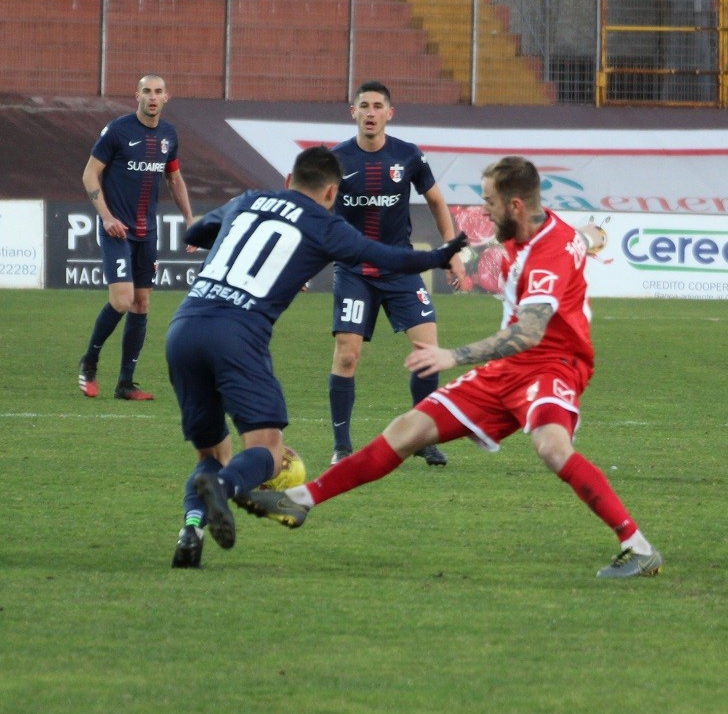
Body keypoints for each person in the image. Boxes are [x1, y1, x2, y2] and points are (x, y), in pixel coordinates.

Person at [236, 156, 664, 579]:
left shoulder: (547, 253)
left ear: (515, 205)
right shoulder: (543, 229)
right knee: (407, 430)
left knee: (552, 448)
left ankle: (638, 547)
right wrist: (592, 234)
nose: (483, 211)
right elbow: (583, 237)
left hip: (553, 365)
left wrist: (452, 356)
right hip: (507, 370)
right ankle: (301, 500)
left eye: (489, 202)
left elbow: (530, 332)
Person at [165, 146, 467, 568]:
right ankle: (226, 488)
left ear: (289, 180)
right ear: (331, 193)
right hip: (236, 336)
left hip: (183, 329)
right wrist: (438, 255)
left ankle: (191, 531)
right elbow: (386, 256)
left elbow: (195, 234)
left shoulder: (249, 199)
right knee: (269, 452)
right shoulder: (325, 224)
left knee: (212, 455)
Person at [328, 81, 466, 468]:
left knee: (428, 353)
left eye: (377, 106)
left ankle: (421, 438)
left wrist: (452, 250)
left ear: (390, 113)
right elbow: (316, 212)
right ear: (353, 112)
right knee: (347, 355)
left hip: (400, 267)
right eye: (364, 106)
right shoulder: (336, 160)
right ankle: (342, 447)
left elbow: (436, 201)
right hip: (354, 271)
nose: (370, 113)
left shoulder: (408, 155)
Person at [78, 73, 194, 400]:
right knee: (122, 300)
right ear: (137, 95)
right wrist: (106, 217)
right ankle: (89, 362)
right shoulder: (118, 131)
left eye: (158, 91)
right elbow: (90, 173)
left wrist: (190, 220)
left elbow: (174, 179)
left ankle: (125, 383)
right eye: (147, 91)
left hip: (147, 232)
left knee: (141, 303)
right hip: (117, 230)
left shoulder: (169, 134)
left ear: (166, 97)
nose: (152, 97)